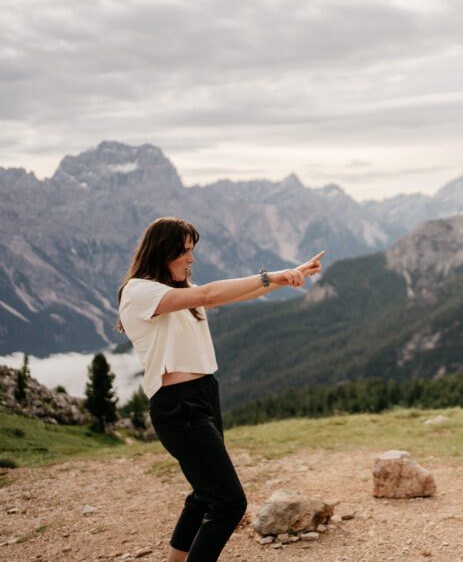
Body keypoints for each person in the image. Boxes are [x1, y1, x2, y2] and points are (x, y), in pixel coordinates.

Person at [117, 217, 324, 562]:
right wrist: (270, 275)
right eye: (184, 252)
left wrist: (287, 275)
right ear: (162, 251)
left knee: (204, 494)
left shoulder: (177, 293)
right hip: (177, 406)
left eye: (191, 251)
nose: (191, 259)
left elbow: (234, 295)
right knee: (229, 503)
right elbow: (211, 292)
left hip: (202, 395)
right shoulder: (140, 292)